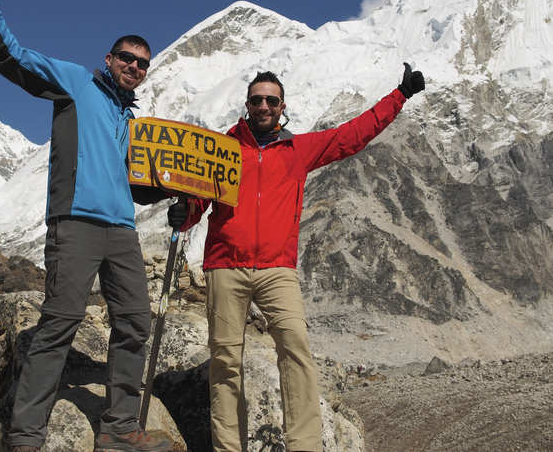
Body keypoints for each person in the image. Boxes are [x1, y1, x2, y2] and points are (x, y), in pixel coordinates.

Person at [0, 0, 173, 452]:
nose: (134, 67)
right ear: (109, 58)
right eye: (127, 58)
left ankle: (119, 429)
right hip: (75, 223)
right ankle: (26, 436)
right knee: (59, 323)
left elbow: (136, 186)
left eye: (142, 63)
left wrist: (172, 195)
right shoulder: (76, 83)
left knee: (135, 324)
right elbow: (13, 58)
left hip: (121, 231)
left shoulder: (131, 121)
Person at [167, 66, 425, 451]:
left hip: (277, 269)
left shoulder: (298, 150)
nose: (264, 105)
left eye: (271, 100)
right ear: (247, 105)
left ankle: (304, 445)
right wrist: (183, 213)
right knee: (225, 361)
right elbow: (198, 202)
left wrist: (399, 95)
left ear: (282, 106)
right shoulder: (222, 149)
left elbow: (351, 136)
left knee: (295, 347)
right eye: (257, 100)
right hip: (225, 266)